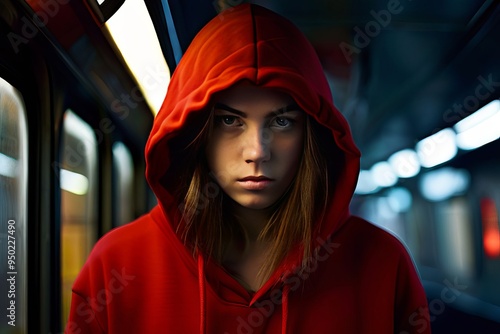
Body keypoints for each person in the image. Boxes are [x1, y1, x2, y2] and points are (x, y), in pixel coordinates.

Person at [65, 3, 431, 333]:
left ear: (313, 136)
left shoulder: (383, 265)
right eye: (230, 122)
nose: (257, 151)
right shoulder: (115, 267)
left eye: (282, 123)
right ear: (197, 132)